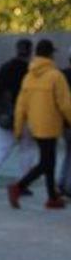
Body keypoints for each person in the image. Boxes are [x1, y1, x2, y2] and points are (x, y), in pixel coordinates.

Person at [8, 39, 71, 209]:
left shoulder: (29, 77)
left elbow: (21, 106)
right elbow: (65, 104)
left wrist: (18, 128)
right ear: (51, 54)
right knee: (46, 163)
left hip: (35, 126)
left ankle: (52, 197)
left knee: (48, 161)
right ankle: (19, 186)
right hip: (50, 125)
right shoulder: (56, 76)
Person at [0, 39, 38, 195]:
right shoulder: (31, 71)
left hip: (4, 116)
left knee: (1, 147)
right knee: (27, 148)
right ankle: (22, 183)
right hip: (25, 116)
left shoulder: (5, 68)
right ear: (30, 51)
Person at [60, 45, 71, 197]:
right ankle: (67, 185)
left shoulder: (60, 75)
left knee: (68, 152)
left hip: (62, 122)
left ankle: (62, 182)